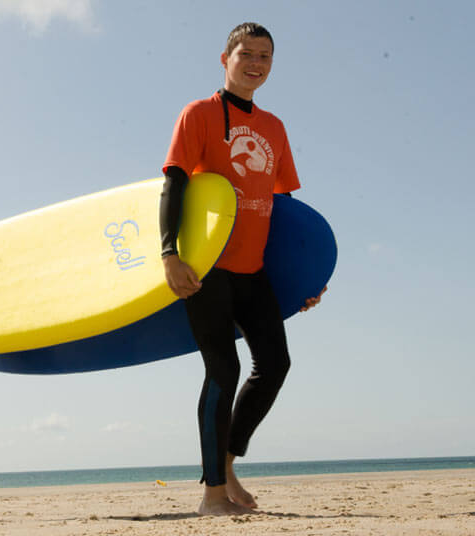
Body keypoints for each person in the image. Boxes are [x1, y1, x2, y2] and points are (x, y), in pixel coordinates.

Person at [159, 22, 326, 516]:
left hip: (254, 271)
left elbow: (283, 208)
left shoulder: (274, 127)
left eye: (265, 56)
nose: (256, 63)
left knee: (275, 365)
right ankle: (212, 495)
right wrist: (170, 254)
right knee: (223, 368)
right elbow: (173, 184)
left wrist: (304, 276)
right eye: (246, 53)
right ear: (225, 58)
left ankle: (226, 463)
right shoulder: (199, 114)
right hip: (207, 267)